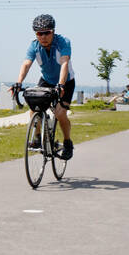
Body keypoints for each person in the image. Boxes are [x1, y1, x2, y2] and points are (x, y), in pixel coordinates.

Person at [13, 14, 75, 159]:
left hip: (65, 81)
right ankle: (38, 137)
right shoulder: (34, 46)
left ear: (53, 31)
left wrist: (60, 85)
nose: (43, 36)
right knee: (33, 108)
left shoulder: (63, 42)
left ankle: (67, 142)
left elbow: (64, 63)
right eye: (40, 33)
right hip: (46, 80)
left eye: (47, 32)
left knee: (60, 114)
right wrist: (19, 82)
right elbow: (27, 63)